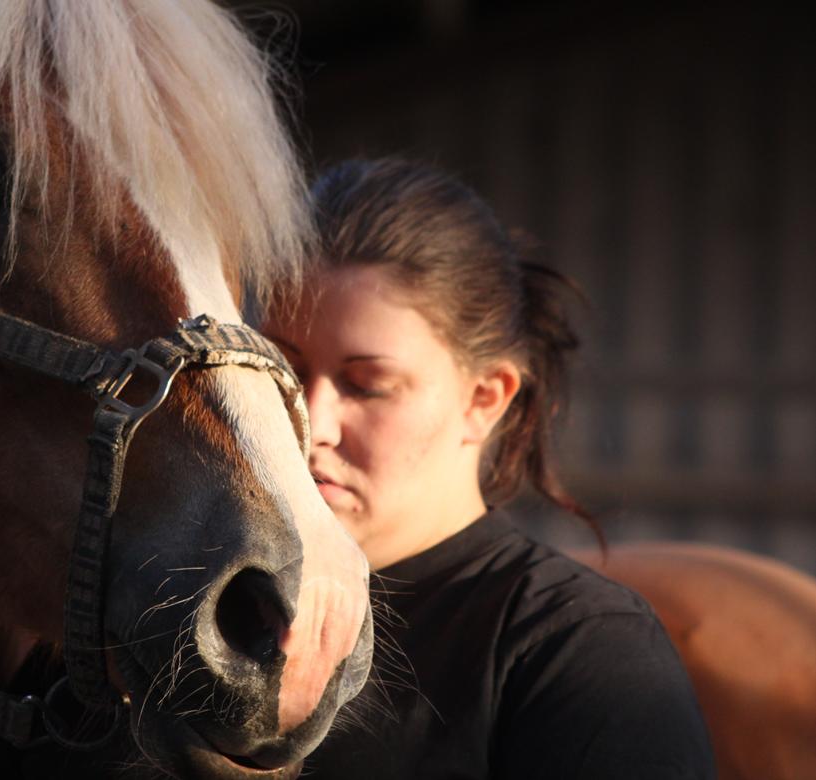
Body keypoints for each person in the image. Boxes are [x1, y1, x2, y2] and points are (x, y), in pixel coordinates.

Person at [264, 158, 716, 779]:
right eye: (281, 368)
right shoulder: (182, 605)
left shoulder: (574, 648)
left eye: (368, 385)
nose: (311, 421)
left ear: (485, 399)